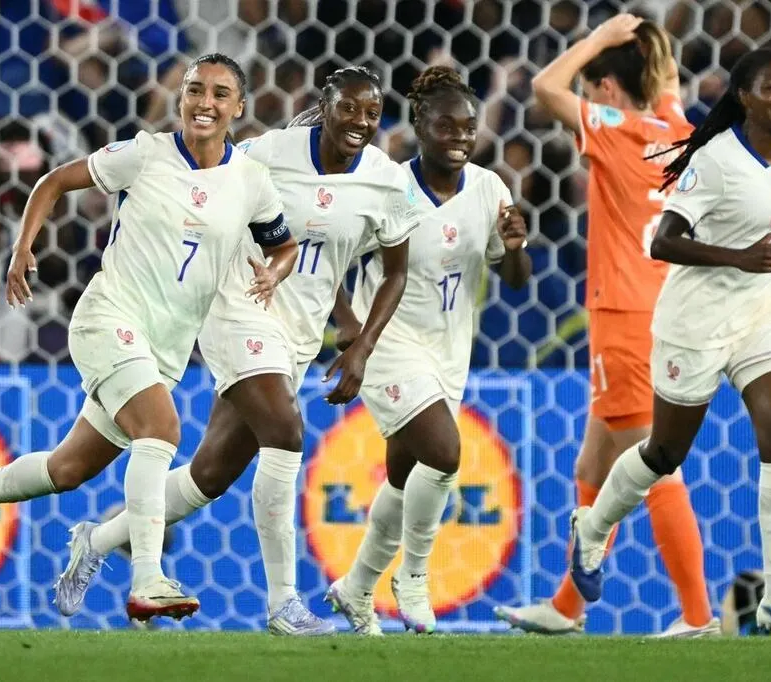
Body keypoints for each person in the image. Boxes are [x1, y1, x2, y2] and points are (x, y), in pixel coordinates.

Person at [0, 54, 298, 623]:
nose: (205, 103)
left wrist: (274, 271)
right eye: (195, 90)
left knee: (68, 469)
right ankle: (148, 579)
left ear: (238, 107)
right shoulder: (144, 154)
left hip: (164, 347)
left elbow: (282, 243)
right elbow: (53, 181)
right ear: (181, 98)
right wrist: (23, 247)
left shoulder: (251, 180)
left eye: (220, 94)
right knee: (162, 429)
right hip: (108, 318)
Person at [52, 66, 418, 635]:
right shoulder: (268, 152)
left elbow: (385, 268)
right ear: (323, 108)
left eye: (371, 113)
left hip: (299, 334)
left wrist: (358, 339)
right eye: (347, 108)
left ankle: (96, 541)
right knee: (286, 432)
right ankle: (284, 604)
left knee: (210, 475)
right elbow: (207, 182)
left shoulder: (385, 181)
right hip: (238, 307)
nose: (359, 121)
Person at [567, 47, 771, 636]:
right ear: (744, 97)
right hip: (695, 320)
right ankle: (593, 529)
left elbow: (770, 225)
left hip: (760, 312)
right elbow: (664, 242)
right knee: (664, 453)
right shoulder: (713, 160)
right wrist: (738, 258)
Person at [494, 14, 716, 637]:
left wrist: (597, 41)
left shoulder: (617, 128)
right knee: (595, 462)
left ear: (609, 91)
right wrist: (646, 40)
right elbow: (666, 80)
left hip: (623, 315)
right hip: (667, 311)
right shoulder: (678, 130)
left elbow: (545, 87)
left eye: (593, 91)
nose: (587, 104)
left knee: (656, 467)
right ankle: (568, 607)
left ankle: (698, 617)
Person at [324, 65, 532, 635]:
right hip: (387, 342)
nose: (460, 137)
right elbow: (330, 257)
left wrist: (516, 248)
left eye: (468, 127)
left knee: (403, 475)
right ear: (419, 125)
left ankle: (356, 587)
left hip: (449, 350)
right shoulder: (387, 188)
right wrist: (349, 326)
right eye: (446, 126)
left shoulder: (489, 188)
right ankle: (414, 577)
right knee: (444, 453)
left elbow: (515, 279)